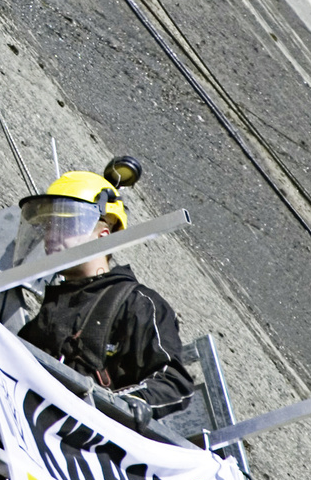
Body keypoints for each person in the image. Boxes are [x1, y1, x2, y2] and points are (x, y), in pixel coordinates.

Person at [13, 168, 194, 423]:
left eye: (65, 225)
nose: (51, 236)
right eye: (48, 227)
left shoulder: (137, 304)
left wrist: (136, 403)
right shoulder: (56, 307)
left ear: (103, 236)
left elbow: (174, 382)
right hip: (35, 428)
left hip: (90, 439)